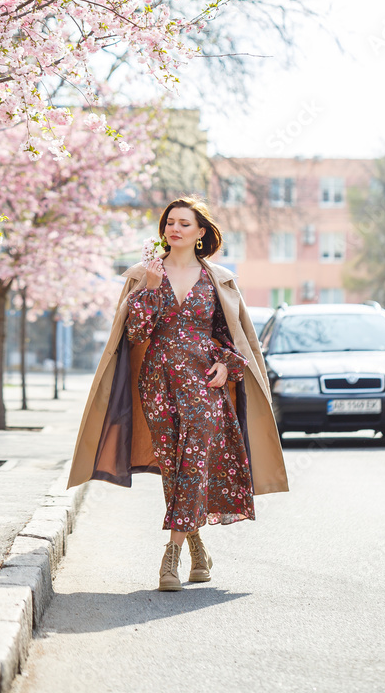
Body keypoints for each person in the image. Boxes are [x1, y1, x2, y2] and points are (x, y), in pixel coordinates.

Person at [67, 195, 289, 592]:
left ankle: (170, 556)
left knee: (194, 461)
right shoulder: (144, 274)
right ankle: (198, 549)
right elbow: (136, 333)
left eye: (185, 223)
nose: (175, 229)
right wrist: (152, 289)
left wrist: (227, 365)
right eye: (170, 222)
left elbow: (233, 337)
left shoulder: (219, 279)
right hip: (157, 382)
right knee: (174, 466)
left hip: (204, 384)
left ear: (201, 232)